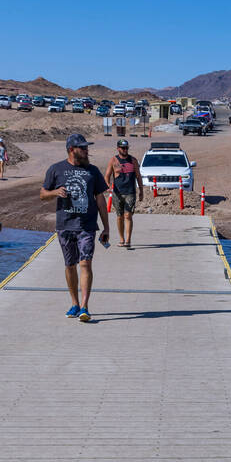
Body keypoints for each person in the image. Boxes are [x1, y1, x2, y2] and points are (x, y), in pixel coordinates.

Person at [40, 133, 111, 323]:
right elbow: (42, 194)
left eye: (87, 147)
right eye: (83, 148)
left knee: (85, 263)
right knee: (70, 265)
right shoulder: (56, 169)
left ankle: (85, 307)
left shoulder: (93, 171)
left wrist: (106, 228)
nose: (87, 151)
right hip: (65, 225)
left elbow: (100, 201)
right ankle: (75, 303)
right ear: (72, 150)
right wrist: (55, 192)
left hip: (86, 225)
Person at [105, 139, 144, 248]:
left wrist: (141, 191)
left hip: (130, 192)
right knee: (119, 216)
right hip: (117, 193)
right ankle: (121, 239)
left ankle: (128, 240)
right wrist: (108, 187)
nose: (125, 150)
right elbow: (107, 176)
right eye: (123, 148)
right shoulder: (113, 160)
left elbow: (138, 176)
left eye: (126, 148)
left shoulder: (133, 160)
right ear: (118, 148)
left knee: (128, 215)